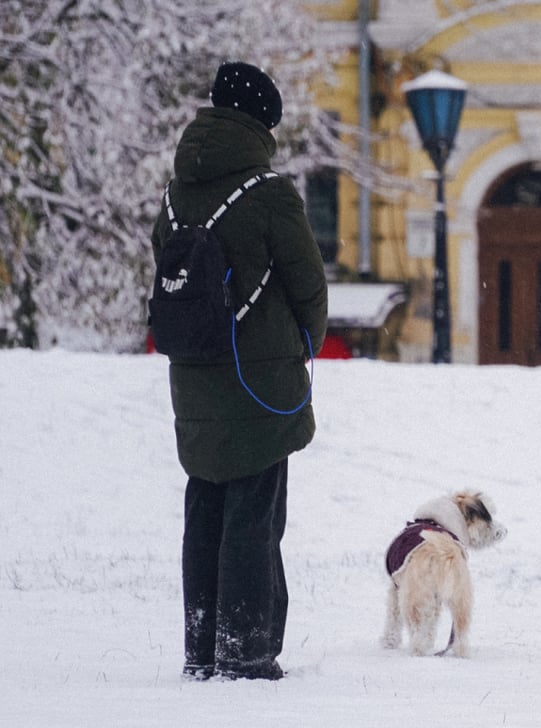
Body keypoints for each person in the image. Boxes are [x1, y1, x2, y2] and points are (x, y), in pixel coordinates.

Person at [151, 61, 327, 681]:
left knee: (204, 506)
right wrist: (304, 345)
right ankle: (245, 651)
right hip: (258, 384)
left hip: (194, 378)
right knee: (254, 513)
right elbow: (308, 286)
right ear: (261, 123)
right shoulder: (269, 194)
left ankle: (201, 646)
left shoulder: (174, 197)